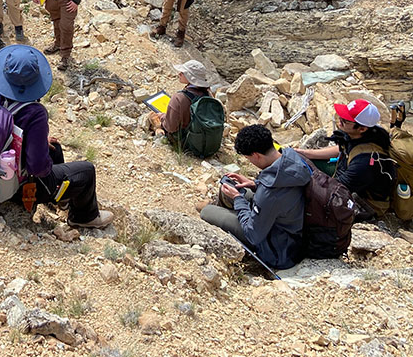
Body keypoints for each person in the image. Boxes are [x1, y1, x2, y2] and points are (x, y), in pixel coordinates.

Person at [0, 45, 113, 228]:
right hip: (13, 184)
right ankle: (83, 216)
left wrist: (38, 144)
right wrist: (44, 161)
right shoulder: (34, 113)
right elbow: (38, 168)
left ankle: (62, 199)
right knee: (86, 172)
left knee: (55, 149)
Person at [200, 124, 310, 271]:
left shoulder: (269, 193)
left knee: (207, 212)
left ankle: (219, 210)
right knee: (235, 192)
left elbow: (252, 234)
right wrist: (255, 184)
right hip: (293, 230)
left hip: (277, 251)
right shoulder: (292, 158)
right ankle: (228, 210)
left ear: (256, 155)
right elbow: (282, 190)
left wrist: (238, 199)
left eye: (248, 158)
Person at [294, 99, 395, 219]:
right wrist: (306, 153)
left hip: (364, 200)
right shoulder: (360, 134)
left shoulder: (365, 162)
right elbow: (342, 149)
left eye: (345, 120)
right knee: (302, 160)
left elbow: (337, 188)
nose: (340, 120)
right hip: (349, 178)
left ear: (362, 128)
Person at [147, 60, 212, 144]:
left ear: (190, 77)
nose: (179, 74)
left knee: (152, 115)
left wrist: (162, 116)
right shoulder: (208, 94)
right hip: (206, 139)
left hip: (186, 141)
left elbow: (170, 127)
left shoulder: (179, 97)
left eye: (183, 72)